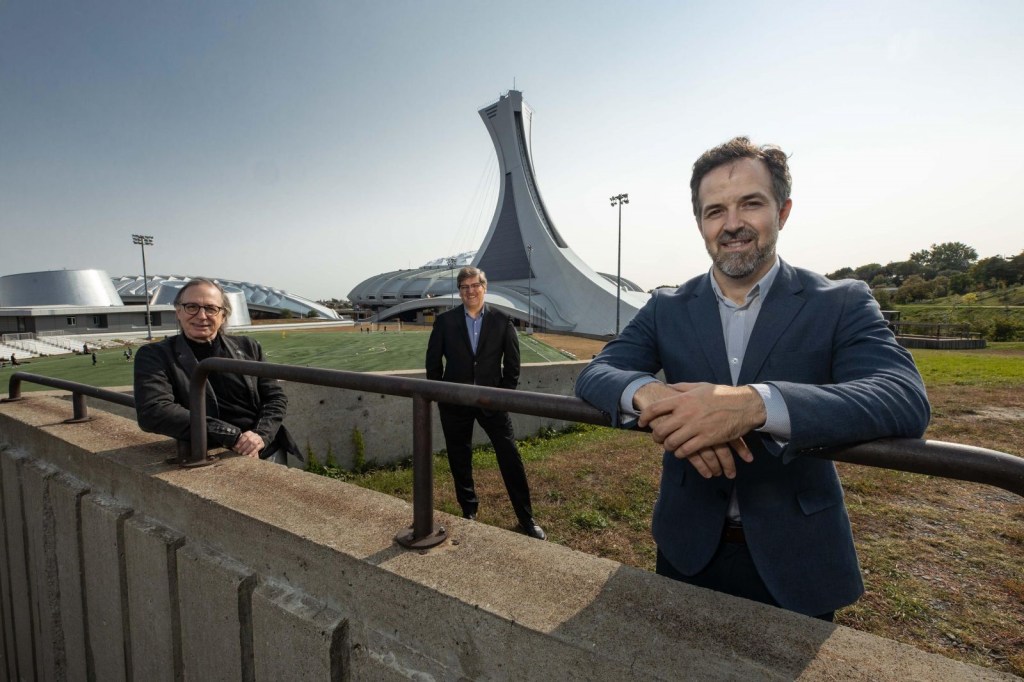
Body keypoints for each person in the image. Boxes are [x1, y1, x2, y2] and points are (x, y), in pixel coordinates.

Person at [575, 136, 930, 619]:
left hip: (797, 555)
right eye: (715, 211)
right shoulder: (666, 306)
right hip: (687, 546)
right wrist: (652, 395)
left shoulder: (840, 301)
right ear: (700, 223)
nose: (732, 224)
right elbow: (598, 371)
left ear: (783, 212)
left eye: (751, 204)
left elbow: (902, 396)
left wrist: (753, 405)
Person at [426, 267, 545, 539]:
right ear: (459, 291)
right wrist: (443, 396)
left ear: (484, 287)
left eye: (475, 285)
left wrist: (502, 397)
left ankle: (526, 517)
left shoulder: (502, 321)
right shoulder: (445, 322)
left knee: (510, 456)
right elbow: (433, 364)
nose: (470, 291)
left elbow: (512, 366)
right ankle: (469, 510)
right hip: (455, 403)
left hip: (492, 402)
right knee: (459, 458)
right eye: (464, 287)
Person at [134, 278, 300, 465]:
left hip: (267, 449)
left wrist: (260, 435)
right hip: (213, 454)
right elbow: (154, 411)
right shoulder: (155, 355)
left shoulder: (248, 347)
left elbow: (275, 397)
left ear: (223, 315)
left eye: (211, 308)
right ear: (178, 312)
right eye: (191, 307)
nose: (201, 315)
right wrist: (232, 436)